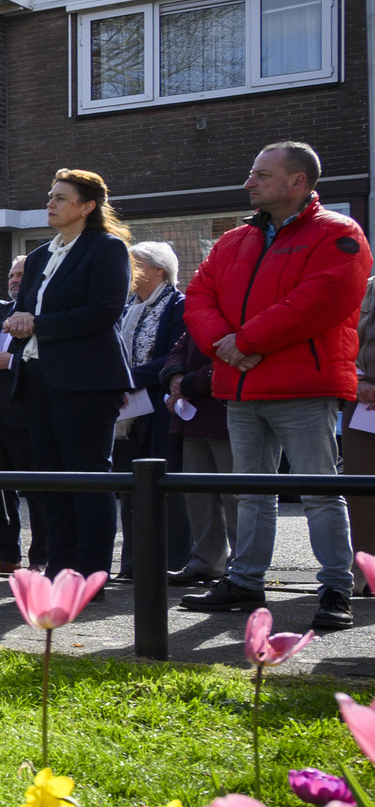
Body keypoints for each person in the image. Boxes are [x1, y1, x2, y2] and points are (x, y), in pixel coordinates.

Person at [180, 141, 371, 628]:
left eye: (261, 175)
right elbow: (199, 294)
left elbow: (321, 300)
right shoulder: (233, 240)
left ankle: (334, 589)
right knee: (251, 491)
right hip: (242, 386)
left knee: (319, 491)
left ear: (297, 182)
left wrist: (241, 342)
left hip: (301, 387)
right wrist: (226, 343)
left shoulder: (338, 234)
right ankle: (245, 580)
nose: (249, 182)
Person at [6, 169, 134, 587]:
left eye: (61, 197)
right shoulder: (40, 256)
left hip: (87, 380)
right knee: (51, 479)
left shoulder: (106, 248)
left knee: (88, 477)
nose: (50, 203)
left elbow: (103, 311)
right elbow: (25, 308)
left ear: (87, 206)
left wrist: (38, 323)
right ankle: (60, 571)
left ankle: (92, 575)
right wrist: (20, 323)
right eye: (50, 195)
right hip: (38, 376)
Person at [112, 240, 188, 577]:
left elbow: (172, 358)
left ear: (159, 269)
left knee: (163, 486)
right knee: (131, 489)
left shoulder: (177, 305)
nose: (129, 269)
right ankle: (133, 564)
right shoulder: (126, 306)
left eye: (137, 263)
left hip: (159, 407)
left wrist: (125, 379)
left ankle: (172, 562)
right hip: (126, 410)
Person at [160, 326, 238, 584]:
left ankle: (241, 566)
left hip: (226, 412)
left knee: (235, 496)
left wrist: (188, 383)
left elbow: (231, 356)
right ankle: (206, 561)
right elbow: (179, 348)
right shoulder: (201, 309)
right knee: (197, 494)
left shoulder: (234, 302)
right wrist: (175, 377)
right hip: (193, 413)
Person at [0, 256, 37, 575]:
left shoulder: (39, 315)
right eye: (12, 274)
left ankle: (40, 558)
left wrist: (13, 362)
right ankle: (6, 555)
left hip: (26, 415)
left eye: (22, 275)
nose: (14, 279)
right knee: (0, 490)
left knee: (37, 490)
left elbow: (50, 361)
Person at [350, 275, 375, 584]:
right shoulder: (366, 286)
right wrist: (358, 381)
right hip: (363, 402)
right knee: (361, 492)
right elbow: (346, 339)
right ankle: (365, 572)